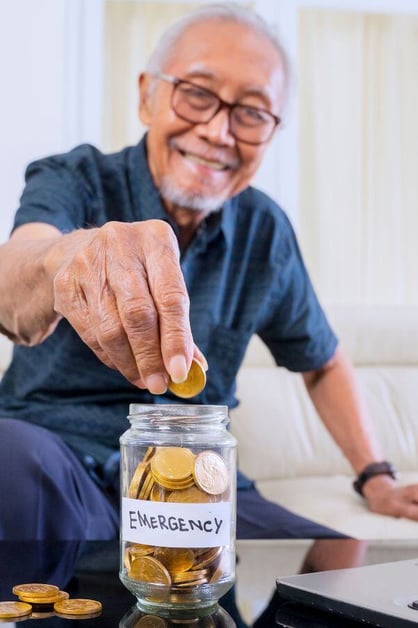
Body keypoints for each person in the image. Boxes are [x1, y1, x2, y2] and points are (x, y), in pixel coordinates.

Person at [0, 0, 417, 570]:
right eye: (197, 93)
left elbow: (322, 361)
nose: (218, 131)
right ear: (147, 94)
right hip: (52, 457)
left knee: (349, 581)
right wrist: (64, 256)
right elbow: (12, 279)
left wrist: (377, 479)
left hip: (201, 478)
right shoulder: (74, 179)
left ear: (272, 133)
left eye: (251, 113)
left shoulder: (264, 229)